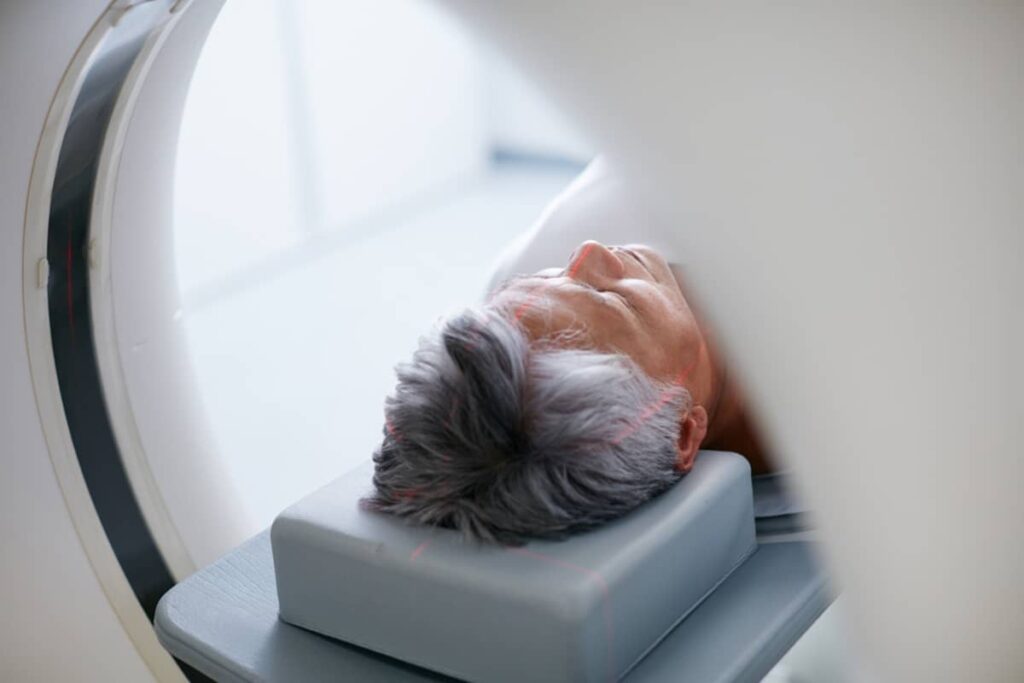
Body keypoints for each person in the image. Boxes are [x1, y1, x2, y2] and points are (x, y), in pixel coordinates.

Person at [365, 236, 772, 544]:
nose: (589, 251)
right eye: (612, 299)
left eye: (545, 278)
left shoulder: (524, 267)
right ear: (682, 435)